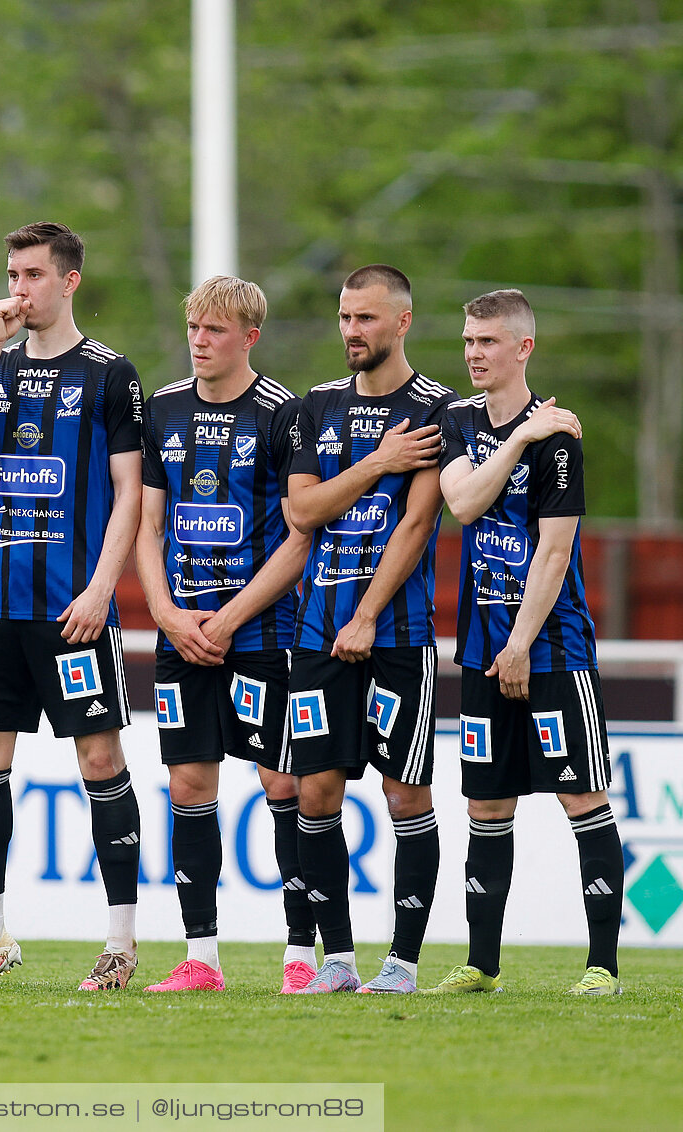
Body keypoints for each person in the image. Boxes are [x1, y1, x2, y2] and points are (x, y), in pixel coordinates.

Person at [0, 221, 146, 991]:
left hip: (74, 607)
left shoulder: (109, 374)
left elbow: (130, 494)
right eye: (11, 273)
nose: (17, 288)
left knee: (99, 759)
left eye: (31, 274)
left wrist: (101, 588)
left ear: (69, 281)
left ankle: (120, 944)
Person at [428, 289, 623, 996]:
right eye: (469, 340)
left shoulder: (562, 440)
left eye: (487, 342)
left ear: (523, 349)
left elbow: (554, 552)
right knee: (486, 805)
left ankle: (602, 967)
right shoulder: (456, 420)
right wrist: (516, 439)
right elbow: (463, 502)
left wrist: (520, 644)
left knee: (582, 797)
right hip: (481, 647)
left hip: (552, 648)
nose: (473, 353)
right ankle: (482, 964)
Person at [134, 275, 314, 993]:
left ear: (250, 337)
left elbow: (300, 537)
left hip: (263, 633)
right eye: (194, 328)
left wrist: (230, 618)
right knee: (187, 784)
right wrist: (169, 615)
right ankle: (201, 958)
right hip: (182, 635)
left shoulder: (283, 414)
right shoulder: (165, 409)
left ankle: (302, 954)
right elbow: (146, 524)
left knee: (284, 782)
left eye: (215, 330)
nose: (200, 341)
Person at [282, 265, 457, 994]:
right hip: (317, 632)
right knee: (314, 791)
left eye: (367, 319)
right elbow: (303, 511)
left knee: (403, 795)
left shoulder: (438, 409)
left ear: (403, 322)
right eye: (346, 317)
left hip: (396, 636)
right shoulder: (314, 406)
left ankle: (403, 963)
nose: (352, 331)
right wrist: (379, 461)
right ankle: (340, 960)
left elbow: (416, 523)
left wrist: (367, 614)